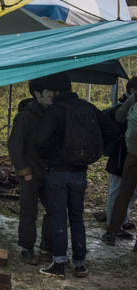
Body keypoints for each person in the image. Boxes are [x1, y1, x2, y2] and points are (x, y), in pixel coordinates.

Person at [34, 72, 116, 277]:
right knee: (78, 218)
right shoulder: (87, 107)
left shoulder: (54, 111)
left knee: (59, 217)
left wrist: (51, 156)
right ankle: (80, 263)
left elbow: (40, 141)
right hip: (80, 171)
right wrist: (91, 152)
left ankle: (59, 263)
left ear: (55, 91)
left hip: (57, 172)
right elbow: (113, 131)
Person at [8, 78, 55, 264]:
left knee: (53, 209)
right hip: (30, 172)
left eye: (53, 91)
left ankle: (47, 247)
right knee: (29, 211)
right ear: (37, 94)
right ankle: (27, 247)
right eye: (47, 91)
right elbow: (15, 146)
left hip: (49, 171)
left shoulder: (52, 114)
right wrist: (24, 171)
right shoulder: (25, 117)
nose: (51, 95)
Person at [100, 78, 137, 243]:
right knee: (122, 194)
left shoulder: (134, 99)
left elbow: (120, 116)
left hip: (132, 154)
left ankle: (112, 231)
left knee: (123, 194)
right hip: (129, 155)